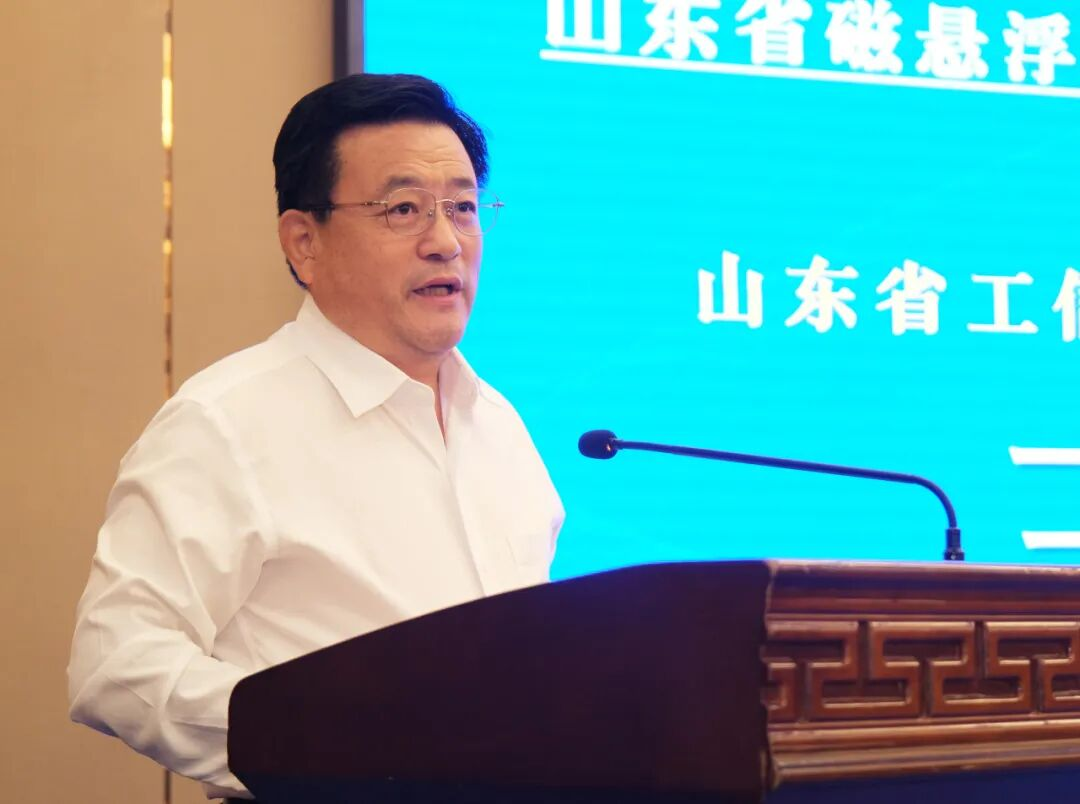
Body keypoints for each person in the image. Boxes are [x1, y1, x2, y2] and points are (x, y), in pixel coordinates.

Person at [67, 73, 564, 800]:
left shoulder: (501, 427)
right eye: (403, 209)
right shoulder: (226, 422)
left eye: (462, 208)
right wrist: (336, 740)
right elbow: (115, 663)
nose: (445, 243)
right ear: (304, 242)